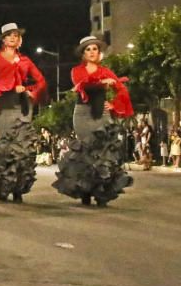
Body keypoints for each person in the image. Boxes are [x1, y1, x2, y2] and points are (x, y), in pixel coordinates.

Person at [52, 36, 134, 207]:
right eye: (88, 49)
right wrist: (102, 83)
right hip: (82, 114)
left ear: (99, 52)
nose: (91, 52)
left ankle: (102, 192)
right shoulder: (77, 70)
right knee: (86, 152)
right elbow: (82, 85)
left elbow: (122, 89)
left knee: (103, 153)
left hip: (102, 114)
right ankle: (85, 192)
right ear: (83, 53)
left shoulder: (106, 71)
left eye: (94, 49)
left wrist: (113, 104)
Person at [0, 22, 47, 202]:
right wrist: (9, 87)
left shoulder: (25, 60)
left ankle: (18, 187)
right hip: (3, 104)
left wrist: (32, 92)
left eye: (16, 34)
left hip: (22, 106)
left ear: (19, 39)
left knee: (22, 145)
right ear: (3, 39)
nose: (13, 37)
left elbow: (41, 81)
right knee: (6, 144)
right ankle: (2, 184)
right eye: (9, 35)